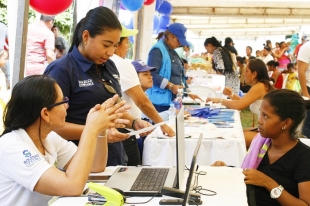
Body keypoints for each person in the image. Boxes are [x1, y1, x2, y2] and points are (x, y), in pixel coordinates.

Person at [44, 6, 151, 166]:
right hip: (78, 161)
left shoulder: (110, 67)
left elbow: (113, 111)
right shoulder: (62, 70)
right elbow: (50, 125)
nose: (110, 52)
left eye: (115, 46)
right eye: (106, 45)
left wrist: (135, 122)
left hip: (114, 159)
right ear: (86, 36)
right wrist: (97, 133)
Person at [0, 75, 130, 205]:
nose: (67, 106)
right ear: (45, 113)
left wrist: (101, 129)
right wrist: (90, 129)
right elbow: (72, 186)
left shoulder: (49, 137)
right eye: (63, 102)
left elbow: (95, 167)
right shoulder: (12, 147)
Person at [213, 89, 310, 206]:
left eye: (266, 116)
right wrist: (228, 170)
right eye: (260, 114)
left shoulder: (304, 157)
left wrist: (268, 183)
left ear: (286, 123)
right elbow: (252, 176)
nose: (259, 121)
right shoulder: (262, 145)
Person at [110, 25, 174, 165]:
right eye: (127, 42)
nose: (128, 46)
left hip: (113, 130)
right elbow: (142, 101)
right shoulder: (122, 64)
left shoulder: (104, 64)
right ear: (116, 43)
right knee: (131, 177)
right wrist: (162, 125)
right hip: (126, 132)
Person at [206, 59, 274, 148]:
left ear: (254, 74)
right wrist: (231, 94)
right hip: (265, 129)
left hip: (269, 133)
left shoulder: (259, 87)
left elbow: (239, 106)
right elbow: (243, 101)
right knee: (235, 133)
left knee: (232, 140)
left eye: (246, 71)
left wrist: (220, 100)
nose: (244, 74)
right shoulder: (261, 85)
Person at [147, 23, 202, 112]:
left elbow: (180, 75)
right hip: (161, 102)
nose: (180, 43)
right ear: (170, 36)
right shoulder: (157, 50)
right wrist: (171, 86)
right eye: (178, 40)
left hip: (173, 101)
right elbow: (152, 74)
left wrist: (188, 92)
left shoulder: (172, 51)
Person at [298, 40, 310, 138]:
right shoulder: (306, 47)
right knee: (308, 122)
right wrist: (306, 94)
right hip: (309, 89)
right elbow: (301, 71)